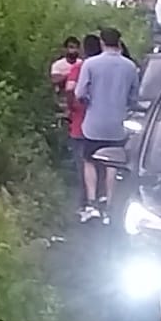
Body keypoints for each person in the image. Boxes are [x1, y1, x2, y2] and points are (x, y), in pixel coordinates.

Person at [73, 27, 138, 222]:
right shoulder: (130, 66)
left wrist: (90, 101)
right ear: (119, 42)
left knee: (89, 161)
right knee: (113, 164)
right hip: (117, 124)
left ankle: (92, 204)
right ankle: (109, 205)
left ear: (102, 42)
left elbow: (79, 93)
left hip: (94, 122)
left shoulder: (91, 64)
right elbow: (134, 96)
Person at [64, 34, 102, 218]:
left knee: (83, 166)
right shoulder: (105, 67)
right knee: (103, 164)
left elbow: (70, 89)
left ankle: (85, 203)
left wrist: (71, 107)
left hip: (80, 123)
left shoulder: (80, 67)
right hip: (103, 123)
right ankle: (102, 200)